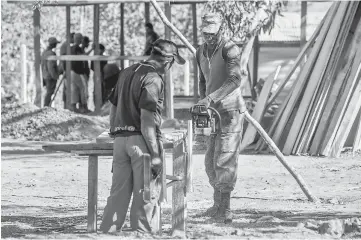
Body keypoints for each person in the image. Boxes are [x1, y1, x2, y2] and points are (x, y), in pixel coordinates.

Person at [99, 39, 185, 234]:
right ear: (168, 61)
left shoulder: (127, 71)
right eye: (172, 65)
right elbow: (147, 120)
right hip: (141, 143)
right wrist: (155, 154)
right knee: (145, 193)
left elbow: (113, 108)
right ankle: (143, 233)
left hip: (120, 141)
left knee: (118, 192)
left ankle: (108, 232)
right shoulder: (153, 78)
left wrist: (116, 134)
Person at [194, 12, 248, 223]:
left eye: (212, 33)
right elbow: (202, 80)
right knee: (210, 160)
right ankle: (216, 204)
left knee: (225, 157)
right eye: (206, 33)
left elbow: (235, 79)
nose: (209, 37)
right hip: (212, 112)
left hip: (230, 111)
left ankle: (225, 209)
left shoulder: (229, 48)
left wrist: (211, 98)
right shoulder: (199, 51)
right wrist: (202, 103)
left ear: (220, 29)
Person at [70, 33, 90, 113]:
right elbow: (83, 56)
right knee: (83, 89)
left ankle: (74, 108)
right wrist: (91, 49)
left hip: (72, 71)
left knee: (74, 90)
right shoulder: (76, 48)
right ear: (79, 39)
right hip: (78, 72)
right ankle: (84, 108)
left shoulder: (71, 48)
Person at [41, 37, 60, 107]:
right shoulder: (51, 53)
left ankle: (47, 106)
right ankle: (46, 106)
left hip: (45, 75)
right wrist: (54, 76)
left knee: (49, 92)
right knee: (49, 92)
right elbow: (51, 67)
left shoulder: (44, 52)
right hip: (50, 76)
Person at [60, 32, 75, 108]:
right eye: (73, 38)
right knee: (67, 88)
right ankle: (66, 106)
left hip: (68, 69)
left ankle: (67, 106)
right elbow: (63, 59)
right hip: (66, 69)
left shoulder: (67, 45)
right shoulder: (65, 45)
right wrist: (65, 70)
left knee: (68, 88)